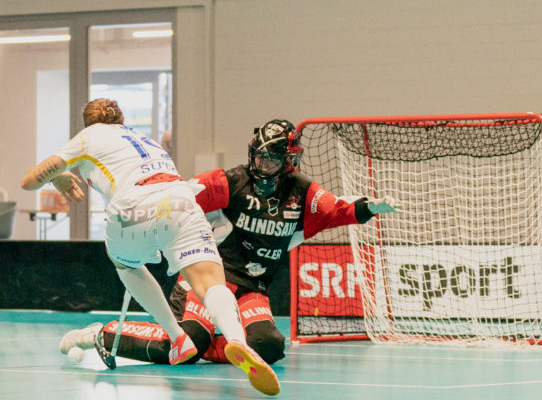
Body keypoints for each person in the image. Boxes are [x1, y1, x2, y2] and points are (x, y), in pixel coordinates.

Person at [60, 119, 397, 369]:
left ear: (289, 162)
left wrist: (368, 207)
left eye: (271, 160)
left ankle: (217, 344)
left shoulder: (302, 192)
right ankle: (105, 334)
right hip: (208, 279)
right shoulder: (229, 181)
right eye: (258, 157)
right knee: (183, 346)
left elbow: (335, 209)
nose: (262, 166)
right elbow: (180, 193)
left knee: (269, 346)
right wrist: (149, 223)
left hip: (252, 288)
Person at [21, 98, 280, 396]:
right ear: (120, 120)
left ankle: (177, 337)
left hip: (133, 209)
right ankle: (236, 339)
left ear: (88, 123)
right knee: (209, 282)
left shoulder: (88, 136)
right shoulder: (144, 139)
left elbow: (29, 181)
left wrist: (57, 175)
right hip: (181, 200)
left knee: (125, 264)